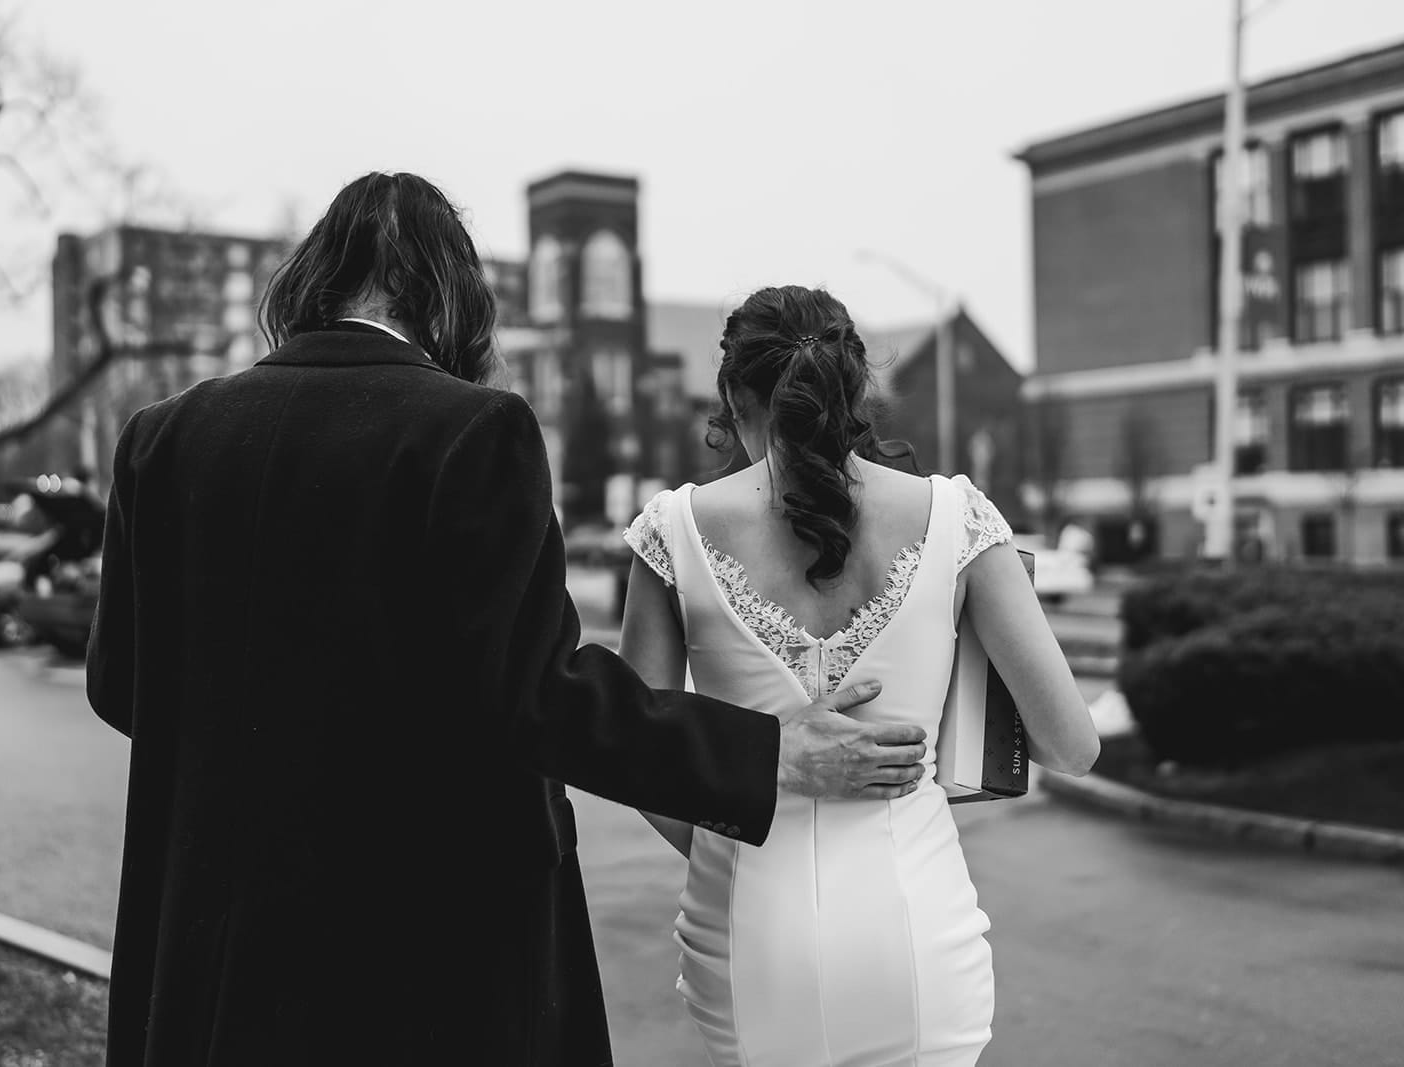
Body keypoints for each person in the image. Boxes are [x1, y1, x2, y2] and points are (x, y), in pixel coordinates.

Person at [85, 174, 932, 1066]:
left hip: (209, 944)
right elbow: (538, 694)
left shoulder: (160, 438)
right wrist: (766, 750)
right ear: (447, 298)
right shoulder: (470, 431)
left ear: (310, 281)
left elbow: (120, 684)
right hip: (421, 957)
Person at [618, 286, 1100, 1067]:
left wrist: (729, 843)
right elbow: (1071, 745)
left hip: (747, 938)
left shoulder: (671, 531)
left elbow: (639, 758)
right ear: (855, 393)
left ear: (736, 397)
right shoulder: (958, 519)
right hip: (915, 934)